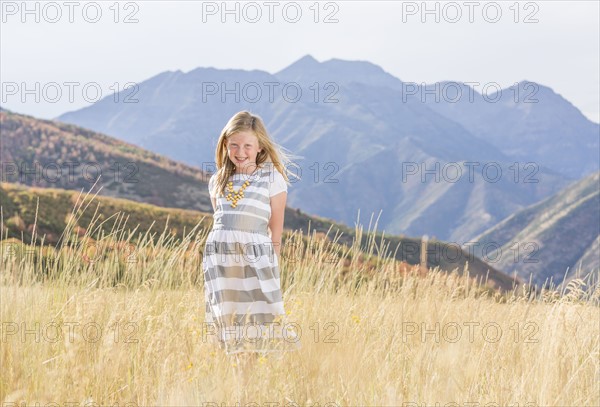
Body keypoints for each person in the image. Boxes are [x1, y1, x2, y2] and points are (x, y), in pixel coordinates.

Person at [202, 111, 302, 362]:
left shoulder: (272, 179)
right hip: (221, 261)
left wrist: (273, 265)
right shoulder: (218, 181)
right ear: (225, 144)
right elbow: (222, 223)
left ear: (259, 148)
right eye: (234, 144)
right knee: (230, 321)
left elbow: (275, 229)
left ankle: (263, 373)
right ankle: (239, 381)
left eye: (247, 145)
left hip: (256, 259)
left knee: (260, 317)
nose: (240, 151)